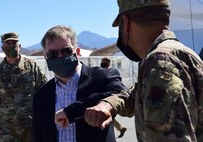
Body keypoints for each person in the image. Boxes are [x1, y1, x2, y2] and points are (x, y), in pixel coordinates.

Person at [85, 0, 203, 142]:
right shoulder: (183, 54)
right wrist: (110, 103)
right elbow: (137, 94)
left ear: (126, 23)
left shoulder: (159, 62)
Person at [33, 25, 126, 142]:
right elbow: (39, 137)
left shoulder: (102, 78)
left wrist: (72, 112)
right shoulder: (41, 96)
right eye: (53, 54)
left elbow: (121, 94)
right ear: (46, 57)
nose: (60, 57)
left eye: (66, 51)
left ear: (77, 51)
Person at [0, 32, 47, 142]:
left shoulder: (32, 66)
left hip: (32, 125)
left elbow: (43, 92)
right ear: (2, 48)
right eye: (8, 44)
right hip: (8, 128)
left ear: (19, 46)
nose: (11, 46)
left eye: (14, 43)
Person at [100, 57, 127, 138]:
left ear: (108, 63)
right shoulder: (100, 71)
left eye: (104, 62)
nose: (102, 63)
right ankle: (121, 128)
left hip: (111, 99)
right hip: (103, 98)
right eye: (102, 62)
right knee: (107, 116)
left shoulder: (112, 72)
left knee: (107, 116)